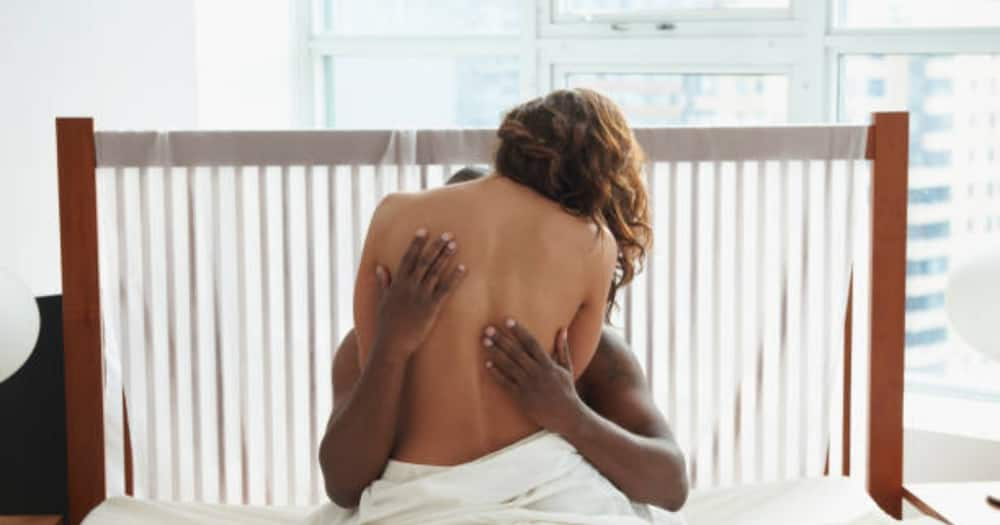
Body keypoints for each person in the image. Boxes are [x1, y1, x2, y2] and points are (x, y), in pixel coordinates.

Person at [318, 89, 687, 521]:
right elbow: (343, 483)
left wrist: (568, 413)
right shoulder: (374, 342)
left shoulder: (591, 351)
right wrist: (391, 349)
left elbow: (671, 484)